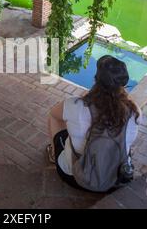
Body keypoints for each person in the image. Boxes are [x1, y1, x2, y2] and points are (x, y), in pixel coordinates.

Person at [47, 55, 140, 190]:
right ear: (123, 84)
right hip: (116, 179)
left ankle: (53, 154)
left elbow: (53, 114)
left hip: (75, 176)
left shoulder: (75, 105)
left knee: (55, 119)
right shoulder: (134, 111)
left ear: (96, 79)